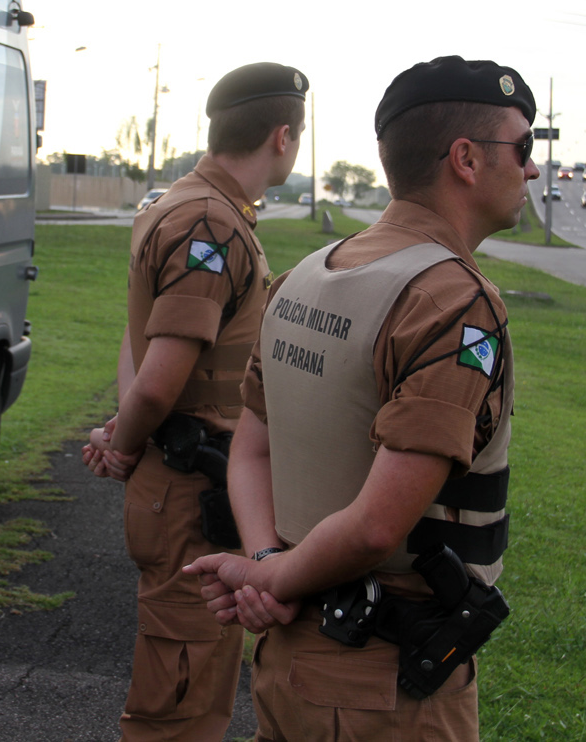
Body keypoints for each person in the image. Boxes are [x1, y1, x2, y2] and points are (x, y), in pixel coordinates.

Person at [185, 55, 538, 740]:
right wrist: (273, 579)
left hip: (290, 662)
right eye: (522, 148)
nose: (531, 169)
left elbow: (250, 451)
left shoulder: (303, 278)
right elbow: (379, 527)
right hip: (382, 690)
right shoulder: (453, 302)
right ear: (466, 159)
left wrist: (267, 566)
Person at [82, 62, 310, 741]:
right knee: (180, 703)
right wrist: (125, 443)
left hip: (181, 480)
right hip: (187, 492)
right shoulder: (211, 224)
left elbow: (138, 340)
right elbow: (159, 379)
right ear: (282, 136)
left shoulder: (176, 203)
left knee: (194, 682)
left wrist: (124, 434)